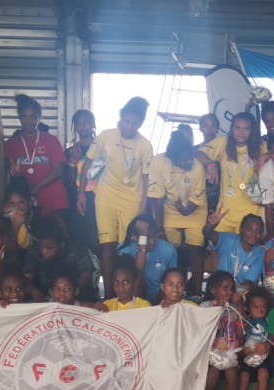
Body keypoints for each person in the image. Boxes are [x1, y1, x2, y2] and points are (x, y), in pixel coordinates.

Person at [84, 97, 154, 298]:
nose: (130, 127)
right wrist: (81, 193)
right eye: (127, 121)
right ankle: (109, 294)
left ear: (140, 124)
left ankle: (129, 293)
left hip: (132, 200)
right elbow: (88, 162)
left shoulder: (145, 146)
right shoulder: (106, 136)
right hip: (106, 196)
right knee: (107, 244)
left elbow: (146, 179)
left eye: (135, 123)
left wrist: (143, 209)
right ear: (120, 117)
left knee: (128, 248)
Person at [147, 126, 208, 296]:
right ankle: (174, 289)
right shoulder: (158, 163)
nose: (189, 162)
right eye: (184, 161)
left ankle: (195, 290)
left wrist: (187, 210)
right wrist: (159, 227)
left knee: (196, 248)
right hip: (169, 209)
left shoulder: (197, 168)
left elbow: (197, 201)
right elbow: (156, 199)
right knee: (171, 249)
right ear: (171, 158)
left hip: (195, 210)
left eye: (190, 158)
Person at [199, 111, 265, 235]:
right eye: (237, 128)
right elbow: (197, 152)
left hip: (253, 212)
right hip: (225, 213)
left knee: (248, 252)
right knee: (223, 251)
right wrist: (210, 163)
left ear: (252, 130)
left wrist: (265, 156)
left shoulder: (260, 146)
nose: (241, 132)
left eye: (246, 129)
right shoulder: (223, 142)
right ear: (231, 128)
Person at [5, 94, 69, 216]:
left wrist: (38, 186)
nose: (29, 122)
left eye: (33, 117)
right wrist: (15, 173)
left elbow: (58, 170)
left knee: (56, 233)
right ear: (19, 117)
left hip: (54, 199)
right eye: (25, 117)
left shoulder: (50, 140)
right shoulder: (11, 144)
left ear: (38, 118)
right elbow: (11, 170)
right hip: (27, 201)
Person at [198, 271, 242, 390]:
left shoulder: (234, 307)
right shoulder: (205, 307)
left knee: (232, 373)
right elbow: (202, 332)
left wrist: (240, 308)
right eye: (224, 288)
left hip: (230, 353)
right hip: (210, 353)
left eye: (231, 289)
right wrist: (219, 310)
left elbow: (241, 331)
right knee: (213, 374)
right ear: (213, 290)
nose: (229, 292)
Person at [24, 218, 96, 302]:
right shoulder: (35, 251)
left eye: (49, 248)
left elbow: (86, 278)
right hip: (45, 298)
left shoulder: (77, 250)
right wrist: (34, 292)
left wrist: (68, 293)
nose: (44, 251)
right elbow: (26, 279)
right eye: (41, 247)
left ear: (61, 244)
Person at [237, 288, 274, 390]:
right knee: (243, 378)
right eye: (255, 307)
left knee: (264, 374)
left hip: (263, 360)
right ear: (248, 308)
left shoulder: (269, 321)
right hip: (246, 359)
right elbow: (238, 344)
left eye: (263, 307)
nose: (260, 311)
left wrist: (266, 346)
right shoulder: (244, 322)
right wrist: (244, 350)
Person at [118, 216, 176, 302]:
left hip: (160, 298)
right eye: (146, 237)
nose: (152, 241)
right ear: (134, 237)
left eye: (153, 236)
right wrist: (142, 248)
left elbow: (173, 279)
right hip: (133, 299)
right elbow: (135, 277)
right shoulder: (125, 250)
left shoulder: (168, 249)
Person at [204, 211, 266, 292]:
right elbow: (207, 234)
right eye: (249, 229)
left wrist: (233, 293)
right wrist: (212, 224)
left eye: (259, 231)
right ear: (241, 229)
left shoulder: (260, 253)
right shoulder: (228, 239)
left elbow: (249, 282)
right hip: (218, 290)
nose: (254, 234)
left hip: (240, 293)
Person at [65, 109, 99, 247]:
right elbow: (69, 181)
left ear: (93, 124)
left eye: (86, 122)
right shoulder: (71, 151)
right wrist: (73, 162)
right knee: (82, 236)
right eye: (78, 122)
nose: (82, 126)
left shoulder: (102, 148)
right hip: (80, 198)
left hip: (101, 197)